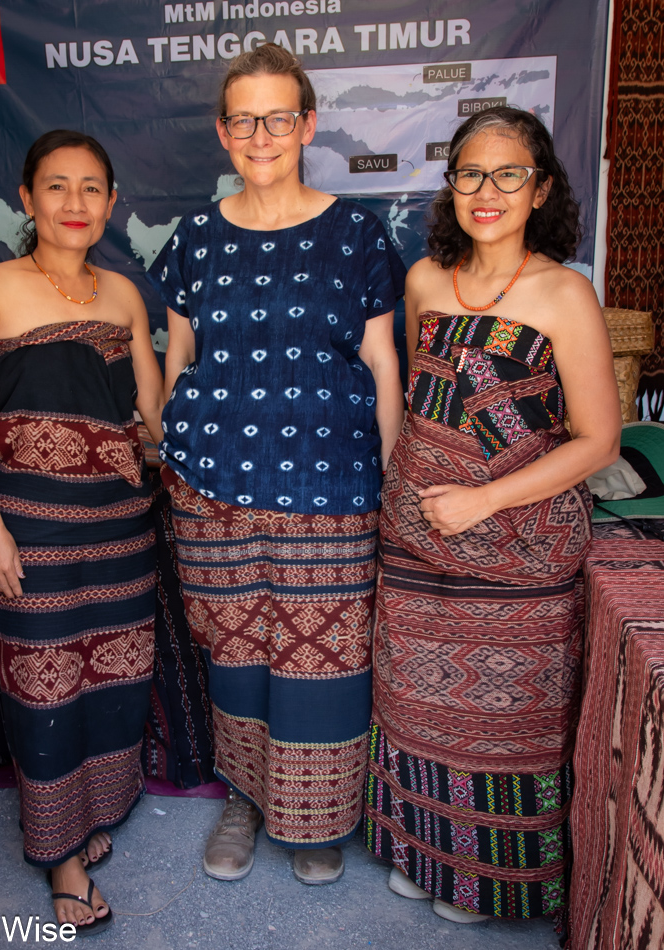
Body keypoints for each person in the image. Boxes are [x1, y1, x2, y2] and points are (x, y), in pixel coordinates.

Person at [148, 43, 405, 885]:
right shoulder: (195, 237)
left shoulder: (355, 234)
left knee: (323, 657)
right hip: (211, 487)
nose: (263, 135)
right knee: (236, 650)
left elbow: (381, 370)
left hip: (329, 486)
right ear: (225, 133)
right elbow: (178, 356)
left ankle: (318, 820)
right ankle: (247, 799)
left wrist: (393, 477)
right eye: (245, 120)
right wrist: (170, 448)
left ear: (308, 124)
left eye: (279, 118)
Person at [364, 106, 620, 924]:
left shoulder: (563, 293)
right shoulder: (424, 282)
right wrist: (409, 487)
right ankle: (423, 854)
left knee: (500, 723)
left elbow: (599, 440)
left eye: (508, 174)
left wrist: (484, 498)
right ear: (450, 186)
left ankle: (487, 882)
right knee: (413, 706)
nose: (487, 190)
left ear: (539, 188)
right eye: (470, 173)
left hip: (517, 555)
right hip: (412, 543)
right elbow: (418, 397)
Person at [0, 130, 164, 935]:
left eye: (90, 189)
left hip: (118, 527)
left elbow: (150, 412)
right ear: (27, 198)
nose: (74, 204)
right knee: (43, 684)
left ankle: (97, 808)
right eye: (56, 187)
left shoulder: (121, 296)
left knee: (113, 677)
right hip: (32, 528)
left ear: (112, 204)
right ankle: (62, 857)